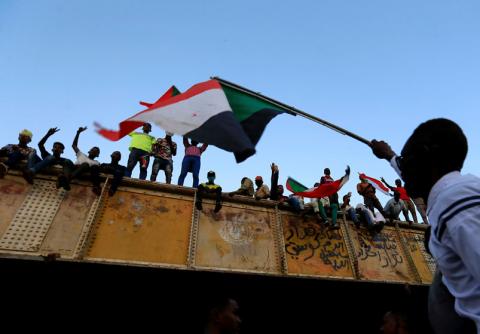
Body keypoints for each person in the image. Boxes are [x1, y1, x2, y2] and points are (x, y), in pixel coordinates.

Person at [371, 118, 479, 333]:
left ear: (424, 158)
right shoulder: (453, 193)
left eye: (407, 160)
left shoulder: (458, 206)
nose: (403, 169)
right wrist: (389, 155)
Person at [57, 127, 100, 193]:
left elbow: (94, 171)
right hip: (74, 168)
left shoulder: (96, 162)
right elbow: (74, 145)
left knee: (85, 164)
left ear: (97, 155)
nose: (93, 151)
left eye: (96, 151)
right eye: (92, 150)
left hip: (82, 171)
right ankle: (65, 181)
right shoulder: (81, 154)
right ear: (89, 151)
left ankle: (65, 181)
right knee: (67, 161)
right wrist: (78, 133)